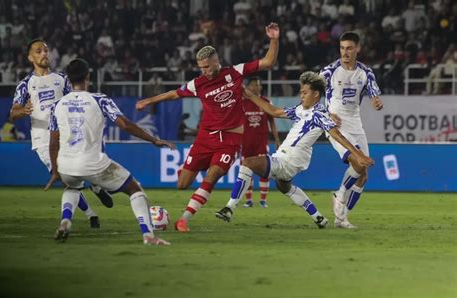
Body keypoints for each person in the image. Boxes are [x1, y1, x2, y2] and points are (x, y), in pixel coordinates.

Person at [136, 23, 280, 232]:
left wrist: (274, 39)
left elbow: (268, 61)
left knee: (212, 176)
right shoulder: (198, 83)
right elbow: (174, 93)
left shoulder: (235, 73)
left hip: (230, 140)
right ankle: (187, 169)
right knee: (182, 184)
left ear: (216, 61)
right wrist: (149, 101)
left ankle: (183, 219)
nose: (204, 71)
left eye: (207, 66)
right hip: (205, 138)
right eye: (201, 68)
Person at [215, 72, 374, 227]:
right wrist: (250, 94)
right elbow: (274, 111)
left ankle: (229, 208)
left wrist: (358, 154)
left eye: (305, 92)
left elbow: (337, 134)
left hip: (288, 160)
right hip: (287, 159)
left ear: (316, 94)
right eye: (300, 92)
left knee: (248, 162)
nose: (301, 95)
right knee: (284, 186)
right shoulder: (300, 109)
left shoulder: (319, 114)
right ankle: (318, 217)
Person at [46, 58, 175, 245]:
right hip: (92, 162)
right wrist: (153, 139)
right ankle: (149, 236)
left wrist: (56, 171)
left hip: (65, 164)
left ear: (68, 78)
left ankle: (66, 220)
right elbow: (126, 125)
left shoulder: (57, 105)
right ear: (88, 76)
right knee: (134, 188)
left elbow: (53, 141)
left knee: (72, 186)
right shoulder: (99, 100)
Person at [10, 38, 113, 228]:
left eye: (46, 50)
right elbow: (13, 112)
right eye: (39, 51)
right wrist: (22, 110)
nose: (44, 54)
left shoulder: (61, 80)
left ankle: (96, 188)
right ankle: (90, 214)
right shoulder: (25, 84)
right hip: (42, 140)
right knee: (67, 179)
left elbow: (76, 98)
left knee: (80, 170)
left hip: (65, 135)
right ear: (30, 57)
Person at [319, 32, 384, 228]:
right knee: (358, 162)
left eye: (349, 48)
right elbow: (307, 93)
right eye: (342, 48)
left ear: (358, 49)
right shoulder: (329, 71)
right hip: (335, 125)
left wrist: (376, 101)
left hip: (356, 123)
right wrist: (326, 114)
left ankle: (342, 217)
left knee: (363, 175)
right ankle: (339, 195)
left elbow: (374, 93)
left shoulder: (365, 72)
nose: (345, 52)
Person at [241, 76, 280, 208]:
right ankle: (249, 200)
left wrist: (276, 139)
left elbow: (272, 123)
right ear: (248, 87)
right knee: (247, 170)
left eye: (259, 84)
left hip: (261, 142)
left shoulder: (265, 102)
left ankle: (263, 200)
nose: (259, 87)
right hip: (246, 142)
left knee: (265, 170)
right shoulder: (242, 103)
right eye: (255, 85)